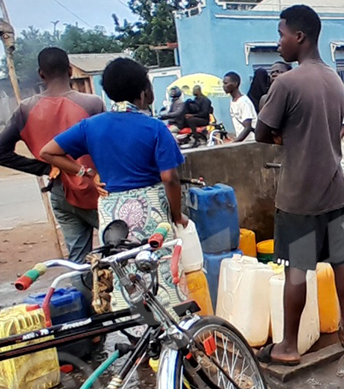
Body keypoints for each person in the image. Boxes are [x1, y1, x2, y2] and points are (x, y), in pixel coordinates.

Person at [40, 57, 187, 311]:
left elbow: (48, 151)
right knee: (159, 276)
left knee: (122, 278)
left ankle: (135, 340)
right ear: (143, 93)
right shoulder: (154, 128)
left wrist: (85, 172)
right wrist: (176, 215)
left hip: (112, 214)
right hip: (151, 212)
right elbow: (170, 178)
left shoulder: (91, 126)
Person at [255, 5, 344, 365]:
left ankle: (287, 346)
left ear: (299, 37)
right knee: (341, 260)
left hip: (299, 196)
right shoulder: (334, 79)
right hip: (334, 189)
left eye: (281, 34)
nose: (278, 42)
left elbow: (262, 133)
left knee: (297, 270)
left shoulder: (286, 83)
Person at [0, 47, 103, 264]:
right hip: (97, 188)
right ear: (70, 71)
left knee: (77, 261)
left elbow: (2, 152)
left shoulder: (25, 109)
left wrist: (45, 168)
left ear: (41, 74)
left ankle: (84, 298)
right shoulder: (92, 103)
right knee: (119, 250)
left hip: (59, 189)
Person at [223, 71, 258, 142]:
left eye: (226, 83)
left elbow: (248, 127)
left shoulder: (243, 102)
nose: (223, 86)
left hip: (250, 141)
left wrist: (235, 142)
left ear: (235, 84)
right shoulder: (233, 100)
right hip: (244, 141)